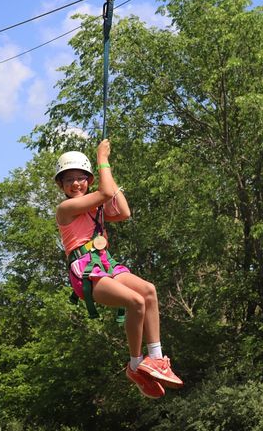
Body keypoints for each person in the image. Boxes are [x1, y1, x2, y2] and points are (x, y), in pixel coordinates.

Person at [55, 138, 183, 399]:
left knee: (148, 291)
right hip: (86, 272)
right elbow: (104, 194)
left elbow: (123, 211)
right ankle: (135, 365)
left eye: (81, 178)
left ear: (89, 180)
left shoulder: (95, 210)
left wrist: (107, 172)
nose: (75, 184)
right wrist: (102, 159)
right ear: (61, 186)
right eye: (69, 180)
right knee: (135, 301)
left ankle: (156, 358)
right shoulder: (65, 208)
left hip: (105, 263)